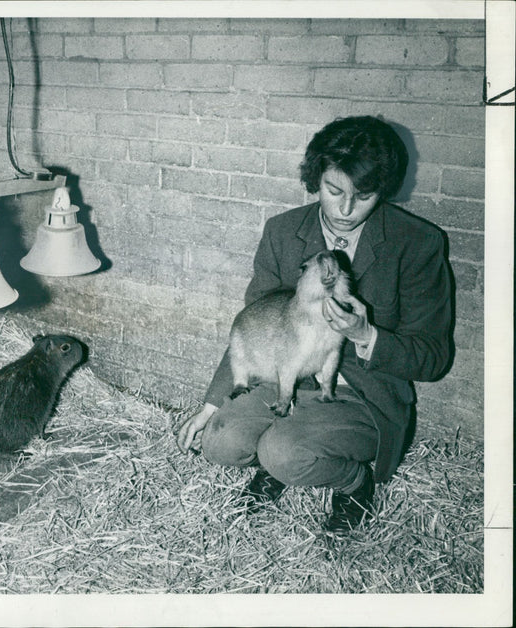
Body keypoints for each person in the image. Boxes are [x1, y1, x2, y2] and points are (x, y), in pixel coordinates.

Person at [176, 115, 453, 534]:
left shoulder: (417, 242)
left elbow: (434, 358)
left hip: (360, 393)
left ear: (384, 189)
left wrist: (366, 334)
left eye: (363, 195)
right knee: (220, 441)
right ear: (315, 180)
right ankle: (290, 456)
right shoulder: (284, 232)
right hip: (285, 374)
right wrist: (213, 403)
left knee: (281, 451)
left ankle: (352, 482)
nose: (345, 209)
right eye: (333, 190)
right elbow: (252, 325)